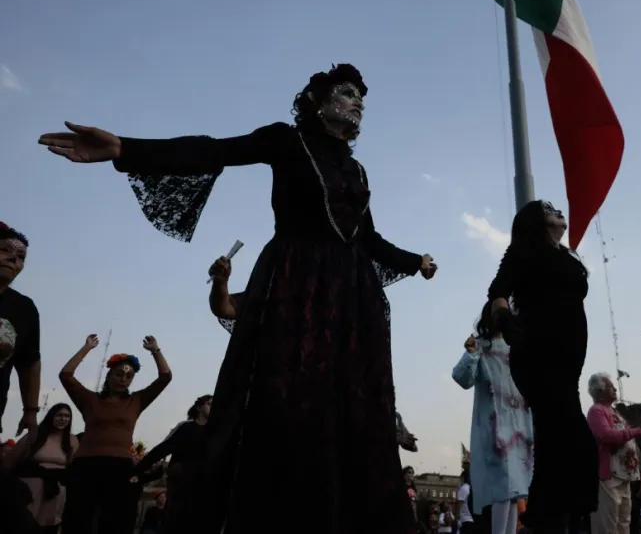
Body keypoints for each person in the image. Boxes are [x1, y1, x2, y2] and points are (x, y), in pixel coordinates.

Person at [39, 64, 437, 534]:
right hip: (295, 285)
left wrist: (414, 260)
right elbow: (214, 150)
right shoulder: (286, 141)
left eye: (361, 98)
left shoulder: (356, 168)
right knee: (285, 401)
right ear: (317, 101)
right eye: (346, 93)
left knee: (346, 407)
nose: (358, 103)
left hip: (350, 298)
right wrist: (126, 149)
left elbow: (365, 238)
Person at [206, 253, 421, 452]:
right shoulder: (274, 295)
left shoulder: (336, 312)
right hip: (272, 406)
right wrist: (221, 282)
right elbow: (226, 308)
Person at [487, 200, 598, 534]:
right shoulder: (523, 250)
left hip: (567, 365)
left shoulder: (565, 255)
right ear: (535, 221)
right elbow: (498, 291)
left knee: (558, 444)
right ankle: (551, 521)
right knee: (571, 442)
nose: (558, 210)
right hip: (538, 357)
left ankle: (551, 522)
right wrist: (504, 317)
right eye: (549, 208)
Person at [59, 334, 172, 534]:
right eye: (119, 374)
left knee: (115, 522)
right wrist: (87, 348)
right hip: (86, 465)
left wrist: (155, 350)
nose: (123, 379)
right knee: (78, 519)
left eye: (129, 376)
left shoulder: (136, 401)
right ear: (109, 375)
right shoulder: (89, 400)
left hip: (119, 467)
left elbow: (165, 377)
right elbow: (66, 375)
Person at [452, 302, 534, 534]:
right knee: (503, 485)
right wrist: (471, 354)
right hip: (494, 429)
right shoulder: (480, 346)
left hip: (519, 428)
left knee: (514, 490)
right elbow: (462, 378)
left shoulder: (518, 348)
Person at [133, 395, 212, 534]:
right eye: (209, 403)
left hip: (203, 486)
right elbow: (163, 448)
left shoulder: (215, 433)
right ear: (199, 407)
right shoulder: (186, 428)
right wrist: (138, 468)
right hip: (181, 484)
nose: (212, 407)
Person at [586, 373, 641, 534]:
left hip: (623, 475)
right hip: (608, 477)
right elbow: (606, 435)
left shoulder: (613, 411)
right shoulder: (596, 411)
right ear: (599, 391)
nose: (615, 388)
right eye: (610, 386)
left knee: (624, 523)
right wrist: (635, 432)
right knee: (608, 524)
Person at [4, 403, 78, 533]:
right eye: (59, 415)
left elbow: (74, 465)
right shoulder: (35, 435)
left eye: (67, 416)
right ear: (51, 416)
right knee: (26, 522)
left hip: (57, 489)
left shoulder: (72, 440)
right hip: (33, 485)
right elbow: (13, 458)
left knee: (50, 525)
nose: (63, 419)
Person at [0, 222, 41, 440]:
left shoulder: (24, 309)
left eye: (21, 256)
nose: (13, 259)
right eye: (4, 250)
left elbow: (29, 362)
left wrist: (30, 411)